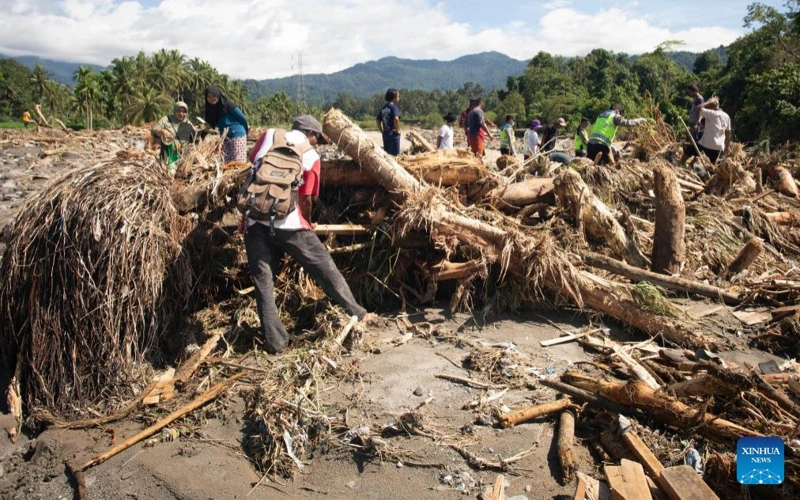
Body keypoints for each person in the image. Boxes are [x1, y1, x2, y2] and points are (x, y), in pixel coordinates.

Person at [244, 115, 373, 354]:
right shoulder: (311, 155)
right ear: (310, 134)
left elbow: (254, 162)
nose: (316, 143)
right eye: (317, 138)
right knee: (325, 269)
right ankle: (357, 313)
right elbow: (306, 198)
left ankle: (275, 342)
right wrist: (309, 223)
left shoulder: (269, 134)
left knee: (264, 284)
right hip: (290, 223)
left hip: (255, 219)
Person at [204, 85, 249, 163]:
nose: (211, 98)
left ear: (218, 95)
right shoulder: (211, 110)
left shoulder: (228, 105)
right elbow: (209, 125)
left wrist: (245, 133)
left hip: (237, 134)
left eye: (214, 96)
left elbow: (243, 119)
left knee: (238, 163)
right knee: (227, 163)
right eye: (209, 96)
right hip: (224, 138)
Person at [151, 101, 197, 172]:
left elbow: (195, 135)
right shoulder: (166, 119)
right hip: (169, 153)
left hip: (183, 154)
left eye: (184, 112)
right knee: (171, 171)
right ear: (175, 111)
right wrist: (162, 131)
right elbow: (154, 130)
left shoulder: (187, 122)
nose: (181, 114)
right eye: (179, 111)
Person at [690, 96, 731, 164]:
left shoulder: (711, 113)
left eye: (708, 106)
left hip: (706, 144)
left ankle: (680, 164)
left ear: (710, 106)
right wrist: (727, 146)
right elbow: (728, 133)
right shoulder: (726, 116)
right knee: (713, 168)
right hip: (719, 147)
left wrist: (709, 102)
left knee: (688, 151)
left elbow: (697, 108)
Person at [376, 88, 402, 156]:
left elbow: (378, 120)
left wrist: (381, 130)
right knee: (395, 156)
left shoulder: (384, 107)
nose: (399, 98)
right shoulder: (393, 107)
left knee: (387, 155)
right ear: (394, 97)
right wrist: (397, 130)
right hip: (393, 134)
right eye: (398, 96)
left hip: (386, 133)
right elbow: (396, 119)